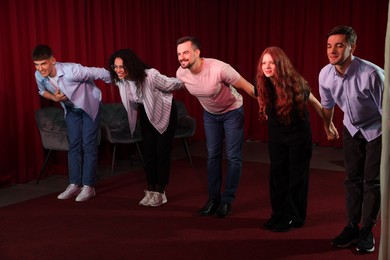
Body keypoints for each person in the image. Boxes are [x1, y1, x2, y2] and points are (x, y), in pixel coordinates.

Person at [256, 46, 338, 232]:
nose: (267, 66)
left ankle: (294, 216)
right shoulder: (262, 82)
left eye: (272, 63)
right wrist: (264, 109)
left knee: (296, 177)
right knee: (277, 174)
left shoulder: (295, 82)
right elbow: (260, 97)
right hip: (276, 136)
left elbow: (316, 103)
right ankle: (278, 213)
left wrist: (328, 124)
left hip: (298, 136)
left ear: (281, 64)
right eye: (264, 63)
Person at [319, 25, 384, 253]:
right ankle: (351, 226)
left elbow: (386, 112)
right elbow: (327, 105)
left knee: (372, 181)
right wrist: (328, 125)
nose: (332, 51)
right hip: (351, 128)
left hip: (377, 130)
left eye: (339, 45)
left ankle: (367, 230)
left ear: (352, 47)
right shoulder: (325, 74)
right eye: (329, 46)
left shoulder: (372, 74)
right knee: (352, 179)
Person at [176, 36, 257, 218]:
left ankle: (227, 200)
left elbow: (248, 87)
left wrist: (269, 104)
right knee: (212, 156)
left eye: (186, 52)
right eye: (179, 54)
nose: (182, 57)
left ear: (197, 53)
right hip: (210, 115)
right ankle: (213, 199)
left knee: (233, 156)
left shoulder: (220, 68)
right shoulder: (181, 73)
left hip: (232, 112)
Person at [32, 44, 111, 202]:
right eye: (37, 64)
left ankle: (89, 186)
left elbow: (101, 72)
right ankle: (75, 184)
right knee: (74, 145)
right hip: (71, 110)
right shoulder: (39, 75)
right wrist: (54, 98)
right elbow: (41, 91)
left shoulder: (72, 71)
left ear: (53, 60)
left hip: (90, 106)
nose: (40, 68)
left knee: (88, 145)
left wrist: (120, 83)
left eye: (44, 63)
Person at [108, 49, 182, 207]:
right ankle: (151, 188)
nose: (118, 70)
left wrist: (187, 78)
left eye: (122, 66)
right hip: (147, 112)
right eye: (115, 67)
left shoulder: (150, 75)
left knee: (162, 151)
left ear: (131, 65)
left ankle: (161, 192)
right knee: (148, 151)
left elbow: (172, 84)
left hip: (164, 111)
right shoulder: (121, 81)